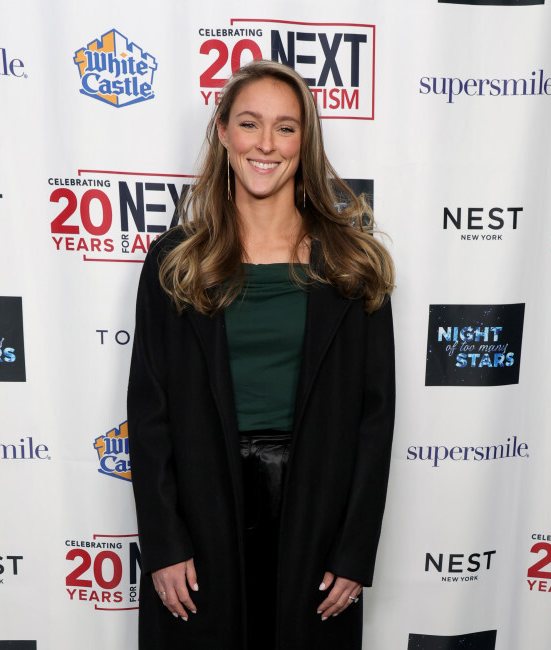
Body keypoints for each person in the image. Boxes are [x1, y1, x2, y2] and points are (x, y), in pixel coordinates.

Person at [127, 59, 395, 650]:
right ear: (223, 132)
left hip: (316, 509)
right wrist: (164, 543)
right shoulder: (176, 260)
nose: (266, 144)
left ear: (305, 141)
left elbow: (374, 422)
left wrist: (354, 550)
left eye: (286, 127)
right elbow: (150, 415)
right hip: (201, 506)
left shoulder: (353, 263)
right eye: (250, 123)